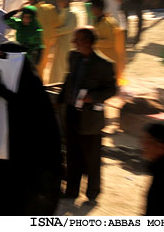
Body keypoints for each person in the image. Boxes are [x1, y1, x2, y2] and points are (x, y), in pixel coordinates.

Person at [0, 41, 62, 215]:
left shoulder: (31, 83)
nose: (0, 61)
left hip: (20, 158)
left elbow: (34, 116)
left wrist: (8, 95)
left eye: (5, 57)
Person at [59, 28, 117, 203]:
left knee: (91, 157)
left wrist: (94, 97)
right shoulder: (73, 57)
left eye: (78, 40)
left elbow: (112, 89)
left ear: (88, 42)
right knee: (72, 154)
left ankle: (92, 192)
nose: (74, 43)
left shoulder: (104, 64)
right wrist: (61, 99)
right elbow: (69, 79)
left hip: (90, 117)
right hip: (71, 112)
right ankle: (72, 190)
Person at [89, 0, 126, 84]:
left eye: (92, 7)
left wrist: (94, 42)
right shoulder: (97, 21)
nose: (90, 10)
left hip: (110, 61)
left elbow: (111, 42)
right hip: (102, 62)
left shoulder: (108, 23)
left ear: (98, 8)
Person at [28, 0, 59, 79]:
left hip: (34, 44)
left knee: (34, 68)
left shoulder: (29, 11)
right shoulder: (50, 8)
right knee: (42, 66)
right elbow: (57, 23)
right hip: (48, 43)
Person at [49, 0, 77, 84]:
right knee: (57, 65)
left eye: (60, 1)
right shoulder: (62, 12)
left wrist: (54, 32)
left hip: (67, 44)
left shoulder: (72, 14)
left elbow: (69, 28)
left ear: (67, 1)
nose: (58, 3)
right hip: (60, 43)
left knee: (63, 66)